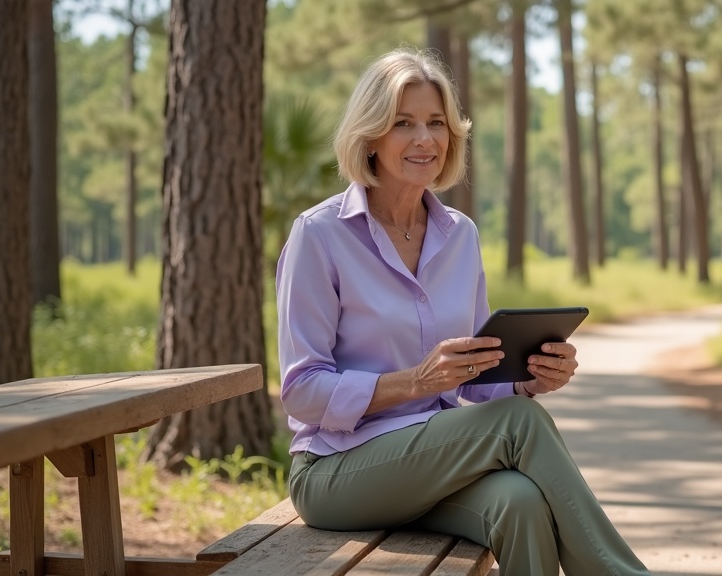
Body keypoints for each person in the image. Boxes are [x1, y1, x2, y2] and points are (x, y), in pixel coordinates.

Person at [275, 47, 649, 576]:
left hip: (436, 460)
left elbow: (476, 372)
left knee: (519, 503)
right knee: (518, 425)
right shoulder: (320, 234)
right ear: (371, 136)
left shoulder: (460, 235)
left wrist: (528, 379)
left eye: (437, 123)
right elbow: (301, 391)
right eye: (403, 123)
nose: (425, 138)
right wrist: (415, 382)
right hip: (335, 471)